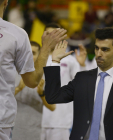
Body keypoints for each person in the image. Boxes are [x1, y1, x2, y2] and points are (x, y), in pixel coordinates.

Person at [43, 28, 113, 140]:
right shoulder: (82, 78)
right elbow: (52, 97)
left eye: (105, 49)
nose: (99, 54)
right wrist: (55, 62)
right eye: (97, 48)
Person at [0, 0, 66, 139]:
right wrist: (46, 48)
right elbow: (33, 81)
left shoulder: (17, 34)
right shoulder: (16, 34)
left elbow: (32, 82)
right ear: (6, 2)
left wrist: (46, 48)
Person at [41, 23, 87, 140]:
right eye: (47, 33)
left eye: (54, 34)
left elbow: (81, 85)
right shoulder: (35, 59)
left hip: (60, 121)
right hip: (36, 119)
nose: (50, 37)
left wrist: (81, 66)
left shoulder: (70, 60)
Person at [12, 41, 56, 140]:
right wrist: (18, 89)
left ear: (39, 55)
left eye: (33, 53)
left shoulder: (46, 76)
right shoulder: (11, 73)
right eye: (27, 52)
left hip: (33, 131)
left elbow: (52, 107)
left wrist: (42, 94)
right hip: (11, 128)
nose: (29, 56)